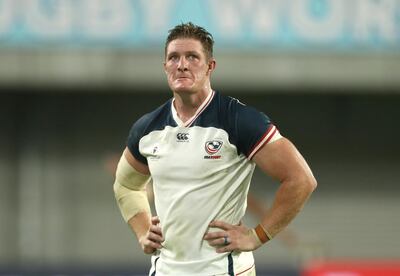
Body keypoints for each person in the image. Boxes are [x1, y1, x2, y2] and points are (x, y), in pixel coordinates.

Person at [113, 22, 317, 276]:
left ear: (210, 66)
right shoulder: (147, 128)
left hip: (225, 270)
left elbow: (301, 180)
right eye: (173, 57)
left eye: (192, 57)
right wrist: (143, 231)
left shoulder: (238, 120)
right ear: (165, 66)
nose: (182, 65)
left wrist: (257, 236)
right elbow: (126, 185)